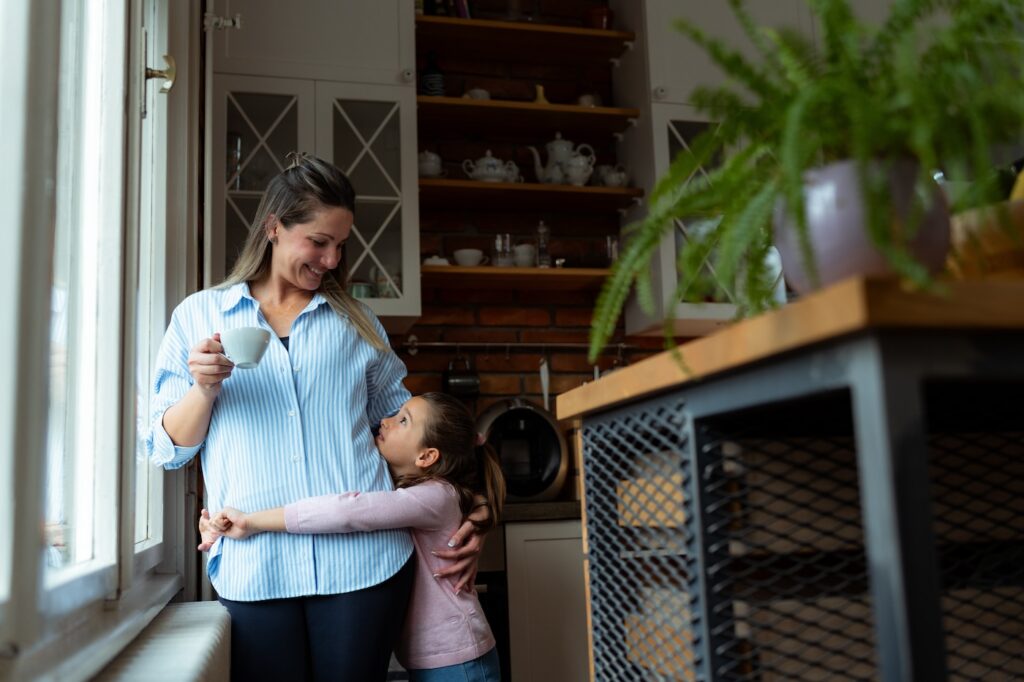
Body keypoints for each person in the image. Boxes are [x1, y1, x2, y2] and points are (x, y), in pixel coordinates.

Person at [146, 153, 483, 681]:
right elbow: (168, 449)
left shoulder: (358, 322)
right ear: (274, 227)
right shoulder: (199, 315)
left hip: (365, 565)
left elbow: (406, 437)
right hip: (255, 565)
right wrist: (204, 388)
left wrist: (467, 513)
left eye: (340, 245)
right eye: (319, 242)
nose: (331, 260)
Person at [208, 392, 505, 681]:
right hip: (440, 656)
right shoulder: (420, 493)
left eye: (403, 421)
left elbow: (349, 511)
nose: (385, 421)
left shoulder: (435, 497)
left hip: (459, 659)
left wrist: (251, 521)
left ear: (427, 456)